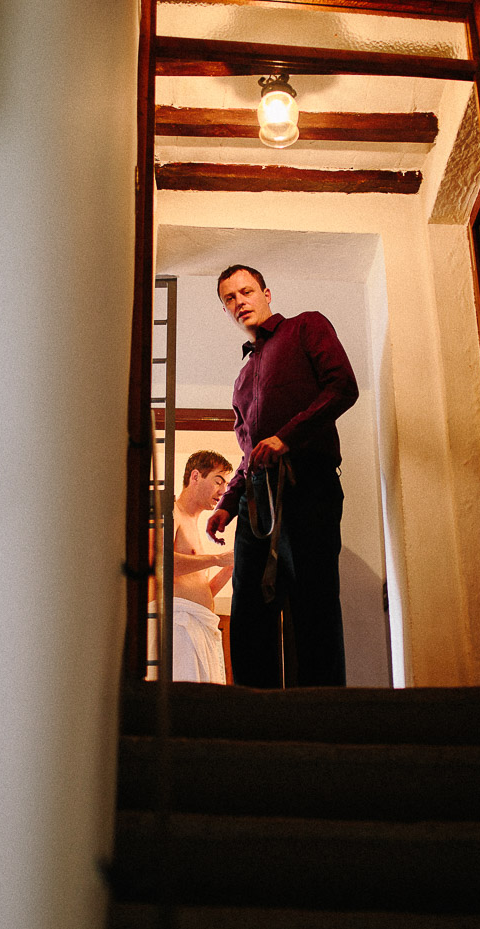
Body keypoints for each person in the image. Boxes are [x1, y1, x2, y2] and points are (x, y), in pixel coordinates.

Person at [206, 265, 358, 688]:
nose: (240, 302)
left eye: (246, 291)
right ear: (226, 310)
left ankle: (322, 717)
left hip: (306, 484)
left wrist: (287, 438)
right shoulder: (241, 381)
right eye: (230, 299)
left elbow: (343, 386)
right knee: (249, 609)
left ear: (267, 293)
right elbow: (248, 453)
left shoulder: (306, 327)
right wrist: (228, 503)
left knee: (313, 600)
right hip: (256, 500)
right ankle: (255, 718)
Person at [152, 450, 235, 684]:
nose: (222, 491)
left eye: (226, 484)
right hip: (178, 625)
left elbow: (200, 591)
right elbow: (162, 563)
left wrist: (229, 568)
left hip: (198, 624)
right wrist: (218, 558)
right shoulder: (172, 513)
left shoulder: (193, 524)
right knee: (185, 704)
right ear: (195, 476)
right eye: (218, 481)